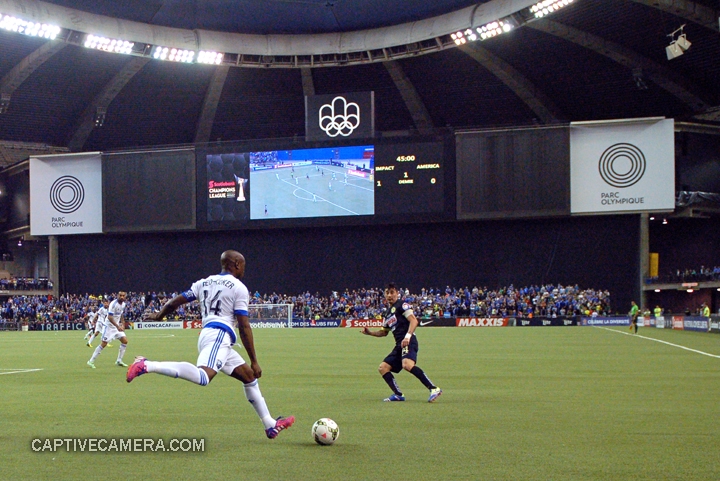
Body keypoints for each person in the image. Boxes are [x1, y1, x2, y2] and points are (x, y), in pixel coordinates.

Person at [126, 250, 295, 440]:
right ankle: (146, 365)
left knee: (248, 377)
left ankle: (270, 424)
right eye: (244, 266)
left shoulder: (204, 282)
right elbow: (244, 325)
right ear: (237, 264)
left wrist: (159, 315)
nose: (244, 270)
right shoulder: (238, 287)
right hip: (219, 336)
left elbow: (175, 302)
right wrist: (254, 360)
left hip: (211, 335)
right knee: (203, 377)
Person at [361, 282, 442, 403]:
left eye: (392, 292)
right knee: (383, 368)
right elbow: (384, 332)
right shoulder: (387, 313)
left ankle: (434, 388)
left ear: (397, 293)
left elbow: (414, 321)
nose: (389, 295)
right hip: (399, 345)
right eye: (387, 293)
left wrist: (408, 336)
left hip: (408, 341)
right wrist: (370, 333)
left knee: (407, 365)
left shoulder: (401, 305)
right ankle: (398, 394)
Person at [87, 293, 129, 368]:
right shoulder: (113, 304)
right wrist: (117, 326)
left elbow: (121, 315)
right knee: (104, 344)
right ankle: (91, 361)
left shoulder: (123, 304)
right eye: (120, 295)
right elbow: (110, 317)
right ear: (117, 296)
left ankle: (119, 360)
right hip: (109, 327)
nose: (122, 297)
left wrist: (122, 324)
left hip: (116, 327)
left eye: (123, 296)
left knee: (125, 341)